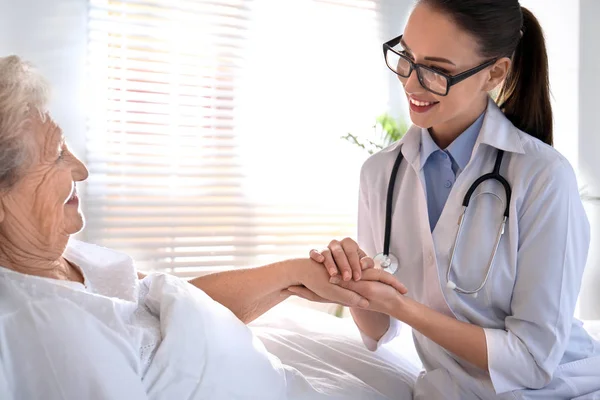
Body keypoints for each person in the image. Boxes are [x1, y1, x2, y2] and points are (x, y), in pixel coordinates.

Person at [0, 55, 411, 400]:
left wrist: (295, 276)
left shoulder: (65, 256)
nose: (81, 170)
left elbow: (163, 307)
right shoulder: (42, 327)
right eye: (56, 156)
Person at [296, 0, 600, 399]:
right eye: (407, 56)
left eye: (437, 70)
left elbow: (533, 360)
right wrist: (351, 283)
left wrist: (404, 307)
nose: (410, 84)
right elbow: (379, 331)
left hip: (561, 389)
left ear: (494, 73)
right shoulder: (381, 174)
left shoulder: (543, 177)